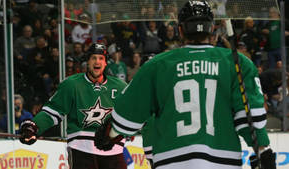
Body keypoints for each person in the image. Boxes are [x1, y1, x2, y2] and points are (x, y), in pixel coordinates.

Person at [94, 1, 276, 169]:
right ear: (212, 29)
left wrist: (110, 133)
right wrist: (263, 150)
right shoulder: (237, 63)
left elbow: (128, 116)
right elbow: (252, 119)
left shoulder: (157, 65)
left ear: (180, 30)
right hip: (223, 161)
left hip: (171, 161)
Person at [19, 43, 128, 169]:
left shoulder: (120, 87)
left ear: (105, 63)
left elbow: (132, 114)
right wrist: (34, 127)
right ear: (87, 61)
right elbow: (52, 112)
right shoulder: (71, 85)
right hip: (81, 150)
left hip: (114, 151)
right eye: (93, 58)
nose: (97, 62)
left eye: (101, 58)